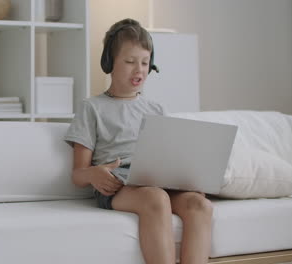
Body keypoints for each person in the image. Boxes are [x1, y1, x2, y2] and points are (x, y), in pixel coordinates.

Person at [64, 18, 213, 264]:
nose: (139, 70)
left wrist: (188, 179)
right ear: (110, 63)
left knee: (199, 204)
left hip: (157, 181)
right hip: (118, 186)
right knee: (155, 198)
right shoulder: (92, 108)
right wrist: (94, 174)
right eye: (130, 62)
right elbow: (77, 174)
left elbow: (170, 158)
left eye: (145, 63)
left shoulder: (155, 108)